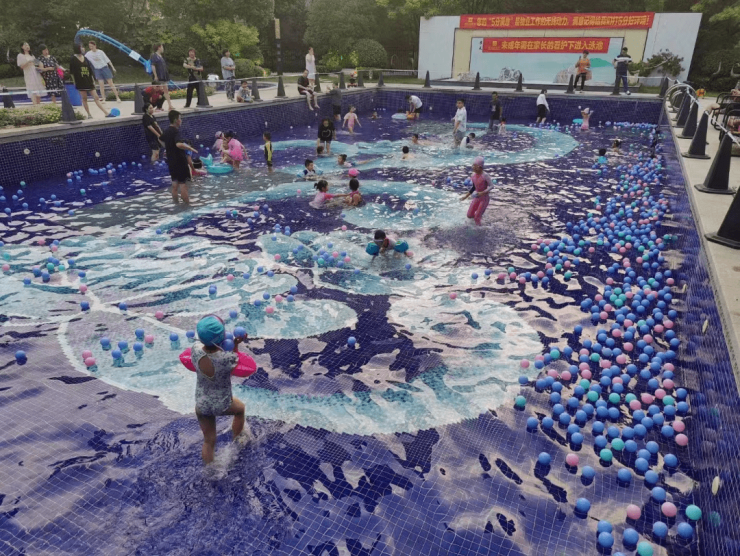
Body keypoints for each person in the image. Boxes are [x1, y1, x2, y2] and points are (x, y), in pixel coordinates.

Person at [192, 315, 249, 464]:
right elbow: (235, 359)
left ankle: (209, 469)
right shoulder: (225, 359)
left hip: (202, 404)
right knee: (240, 409)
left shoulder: (195, 350)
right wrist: (235, 344)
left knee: (209, 440)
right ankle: (237, 440)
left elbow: (205, 348)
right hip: (222, 404)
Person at [162, 110, 197, 203]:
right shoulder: (176, 131)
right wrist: (190, 148)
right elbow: (178, 144)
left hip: (171, 162)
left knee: (174, 186)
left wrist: (168, 148)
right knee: (183, 185)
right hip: (180, 162)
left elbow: (160, 139)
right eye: (180, 118)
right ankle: (187, 206)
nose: (181, 121)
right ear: (175, 120)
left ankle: (176, 204)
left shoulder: (166, 131)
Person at [69, 44, 112, 118]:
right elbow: (72, 72)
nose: (83, 48)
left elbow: (90, 70)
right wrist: (74, 82)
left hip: (88, 80)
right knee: (84, 98)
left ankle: (106, 113)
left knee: (96, 97)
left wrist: (93, 79)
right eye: (81, 47)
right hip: (80, 81)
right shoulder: (73, 59)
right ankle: (89, 114)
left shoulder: (85, 58)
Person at [459, 156, 493, 226]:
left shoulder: (485, 175)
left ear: (480, 167)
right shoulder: (473, 175)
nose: (473, 167)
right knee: (469, 215)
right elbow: (474, 187)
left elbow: (492, 186)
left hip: (484, 199)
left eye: (475, 166)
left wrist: (483, 192)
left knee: (477, 217)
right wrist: (466, 196)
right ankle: (478, 218)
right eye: (473, 165)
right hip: (477, 197)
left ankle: (479, 228)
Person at [150, 44, 173, 111]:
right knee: (158, 91)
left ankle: (170, 105)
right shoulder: (154, 55)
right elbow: (153, 66)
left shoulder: (160, 56)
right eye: (162, 47)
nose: (163, 48)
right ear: (159, 47)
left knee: (166, 90)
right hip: (159, 75)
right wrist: (155, 75)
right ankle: (155, 106)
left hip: (163, 75)